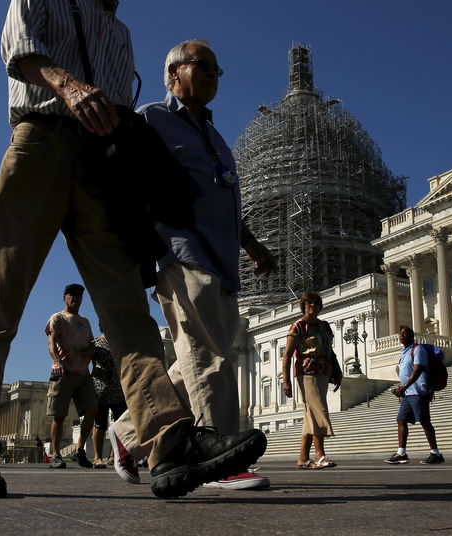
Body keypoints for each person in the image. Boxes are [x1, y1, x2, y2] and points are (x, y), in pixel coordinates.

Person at [0, 1, 266, 500]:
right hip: (41, 141)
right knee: (0, 302)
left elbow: (119, 110)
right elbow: (20, 50)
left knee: (127, 311)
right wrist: (69, 86)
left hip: (102, 168)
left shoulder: (119, 32)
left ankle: (168, 440)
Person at [109, 39, 276, 491]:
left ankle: (127, 433)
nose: (211, 76)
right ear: (173, 73)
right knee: (210, 355)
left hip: (222, 260)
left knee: (192, 362)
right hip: (180, 250)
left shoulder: (218, 137)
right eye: (202, 66)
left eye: (217, 71)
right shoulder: (151, 119)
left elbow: (223, 200)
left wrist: (253, 247)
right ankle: (221, 458)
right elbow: (126, 183)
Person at [282, 291, 342, 470]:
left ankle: (303, 458)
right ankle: (320, 455)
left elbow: (329, 351)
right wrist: (286, 380)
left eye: (316, 303)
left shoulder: (324, 326)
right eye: (308, 303)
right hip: (306, 373)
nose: (312, 306)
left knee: (311, 414)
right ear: (303, 306)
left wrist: (337, 371)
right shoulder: (298, 326)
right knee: (318, 410)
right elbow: (287, 356)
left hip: (323, 372)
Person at [45, 284, 97, 469]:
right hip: (63, 372)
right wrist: (58, 361)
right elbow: (51, 342)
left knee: (92, 410)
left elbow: (92, 343)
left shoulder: (85, 321)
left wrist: (89, 353)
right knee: (59, 415)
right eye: (72, 294)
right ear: (64, 297)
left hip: (83, 372)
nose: (76, 297)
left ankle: (79, 449)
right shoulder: (57, 318)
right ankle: (55, 453)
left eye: (79, 295)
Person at [384, 326, 445, 465]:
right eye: (400, 334)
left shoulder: (418, 349)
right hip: (408, 393)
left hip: (419, 391)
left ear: (411, 337)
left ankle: (436, 453)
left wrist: (404, 386)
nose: (401, 336)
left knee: (424, 421)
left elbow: (418, 370)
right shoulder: (404, 352)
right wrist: (400, 388)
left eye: (404, 334)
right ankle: (401, 453)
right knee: (401, 420)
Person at [89, 329, 127, 470]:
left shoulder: (120, 342)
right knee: (100, 424)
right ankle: (98, 457)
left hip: (118, 388)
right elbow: (87, 360)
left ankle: (113, 455)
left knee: (120, 423)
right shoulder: (96, 343)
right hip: (100, 388)